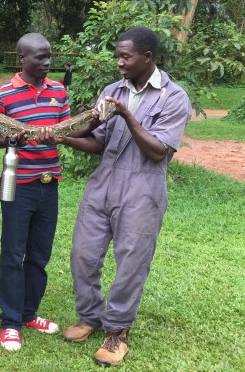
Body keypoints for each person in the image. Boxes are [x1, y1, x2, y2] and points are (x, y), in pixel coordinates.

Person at [41, 26, 191, 366]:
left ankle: (117, 332)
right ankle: (90, 317)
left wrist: (126, 113)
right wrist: (63, 138)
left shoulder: (173, 97)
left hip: (143, 188)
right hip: (103, 183)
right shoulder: (112, 90)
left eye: (126, 56)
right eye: (118, 55)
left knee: (131, 263)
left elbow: (158, 151)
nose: (119, 62)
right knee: (83, 253)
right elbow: (98, 142)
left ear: (147, 58)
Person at [0, 32, 71, 351]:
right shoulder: (3, 96)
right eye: (40, 57)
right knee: (13, 253)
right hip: (18, 185)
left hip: (49, 184)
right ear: (22, 59)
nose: (47, 62)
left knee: (39, 255)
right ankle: (10, 322)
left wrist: (57, 138)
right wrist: (14, 139)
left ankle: (28, 313)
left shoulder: (58, 90)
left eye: (49, 56)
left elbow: (64, 130)